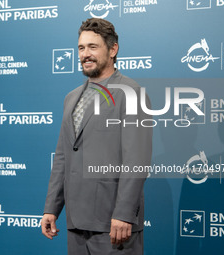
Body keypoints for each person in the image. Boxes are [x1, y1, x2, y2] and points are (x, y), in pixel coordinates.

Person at [41, 18, 152, 255]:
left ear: (113, 50)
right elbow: (62, 156)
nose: (85, 54)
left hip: (113, 224)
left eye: (93, 47)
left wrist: (123, 213)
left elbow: (137, 160)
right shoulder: (71, 98)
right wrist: (51, 208)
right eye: (81, 48)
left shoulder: (131, 93)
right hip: (76, 225)